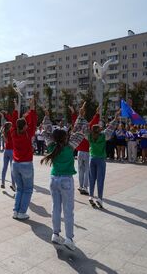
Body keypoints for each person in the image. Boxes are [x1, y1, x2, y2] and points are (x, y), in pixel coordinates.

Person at [41, 104, 86, 250]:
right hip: (66, 180)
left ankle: (55, 234)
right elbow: (79, 132)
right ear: (66, 137)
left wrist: (47, 116)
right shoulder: (70, 147)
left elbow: (46, 132)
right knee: (68, 210)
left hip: (54, 179)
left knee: (55, 208)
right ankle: (69, 238)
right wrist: (80, 116)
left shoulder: (51, 146)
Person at [86, 110, 120, 208]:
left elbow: (83, 128)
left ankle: (91, 196)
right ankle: (99, 199)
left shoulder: (89, 136)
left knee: (91, 178)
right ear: (100, 130)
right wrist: (116, 118)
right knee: (100, 179)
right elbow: (111, 128)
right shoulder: (103, 136)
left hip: (92, 158)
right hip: (100, 159)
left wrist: (81, 115)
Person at [11, 97, 37, 220]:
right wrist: (32, 108)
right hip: (26, 164)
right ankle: (21, 212)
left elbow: (14, 120)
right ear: (25, 126)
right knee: (27, 189)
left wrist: (16, 107)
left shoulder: (13, 133)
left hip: (15, 164)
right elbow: (34, 121)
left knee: (20, 189)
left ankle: (16, 211)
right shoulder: (28, 133)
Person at [70, 105, 100, 195]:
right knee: (86, 169)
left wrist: (73, 112)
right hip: (85, 151)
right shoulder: (87, 125)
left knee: (81, 169)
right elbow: (93, 121)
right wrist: (97, 113)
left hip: (81, 151)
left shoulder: (81, 125)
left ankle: (82, 186)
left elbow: (76, 120)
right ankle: (84, 187)